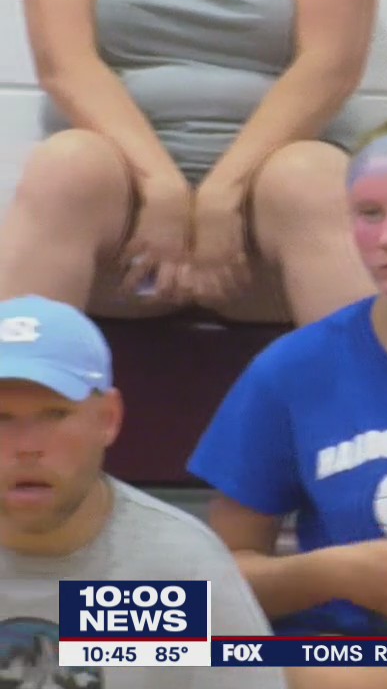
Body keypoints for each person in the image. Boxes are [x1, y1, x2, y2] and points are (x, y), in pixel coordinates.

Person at [186, 116, 387, 689]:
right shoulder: (293, 370)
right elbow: (219, 583)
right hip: (348, 660)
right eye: (369, 215)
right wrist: (332, 573)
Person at [0, 0, 381, 326]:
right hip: (125, 228)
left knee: (311, 178)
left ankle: (373, 394)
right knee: (66, 166)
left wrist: (224, 192)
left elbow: (331, 66)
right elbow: (64, 65)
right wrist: (159, 184)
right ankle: (18, 388)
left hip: (263, 230)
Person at [0, 294, 287, 689]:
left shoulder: (177, 570)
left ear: (108, 419)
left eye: (54, 414)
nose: (26, 446)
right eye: (1, 418)